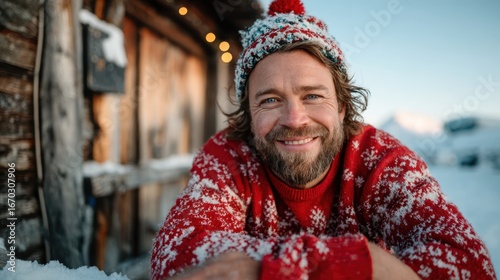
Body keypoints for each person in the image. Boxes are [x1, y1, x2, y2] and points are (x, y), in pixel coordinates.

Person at [150, 0, 496, 279]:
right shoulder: (227, 156)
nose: (294, 120)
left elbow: (468, 264)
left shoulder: (381, 159)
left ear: (343, 107)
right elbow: (178, 254)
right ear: (249, 115)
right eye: (270, 100)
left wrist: (270, 270)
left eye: (313, 96)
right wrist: (369, 267)